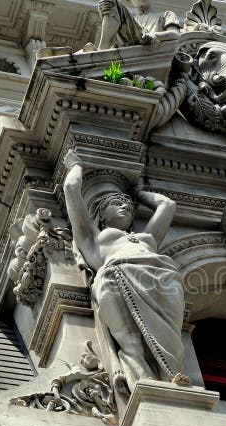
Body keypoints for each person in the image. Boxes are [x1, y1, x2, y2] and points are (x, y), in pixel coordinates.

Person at [62, 150, 189, 394]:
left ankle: (172, 377)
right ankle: (147, 386)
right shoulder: (92, 237)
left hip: (162, 278)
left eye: (129, 207)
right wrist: (75, 164)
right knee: (130, 341)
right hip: (117, 278)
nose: (125, 207)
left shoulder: (148, 238)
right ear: (100, 213)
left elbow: (167, 205)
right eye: (116, 203)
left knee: (171, 341)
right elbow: (71, 189)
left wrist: (136, 192)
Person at [97, 0, 181, 49]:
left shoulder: (166, 15)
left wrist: (155, 36)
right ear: (130, 1)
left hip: (151, 50)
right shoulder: (128, 21)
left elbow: (175, 34)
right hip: (129, 47)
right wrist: (104, 9)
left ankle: (100, 52)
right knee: (108, 2)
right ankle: (101, 50)